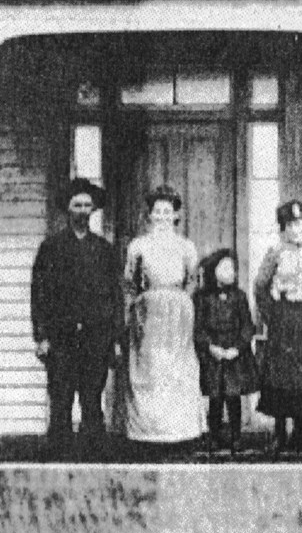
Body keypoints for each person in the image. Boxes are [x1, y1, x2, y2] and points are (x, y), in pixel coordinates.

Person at [31, 178, 123, 460]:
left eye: (87, 205)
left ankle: (93, 458)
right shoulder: (52, 247)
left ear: (93, 209)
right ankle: (59, 457)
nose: (82, 210)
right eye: (77, 205)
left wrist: (116, 339)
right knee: (60, 397)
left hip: (96, 336)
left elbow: (115, 295)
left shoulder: (104, 250)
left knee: (92, 398)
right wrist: (42, 336)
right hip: (61, 336)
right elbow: (39, 293)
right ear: (67, 209)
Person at [123, 185, 202, 444]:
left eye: (167, 212)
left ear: (176, 215)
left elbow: (192, 280)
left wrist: (181, 303)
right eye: (157, 212)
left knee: (175, 368)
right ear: (150, 215)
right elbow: (130, 283)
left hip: (177, 313)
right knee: (150, 367)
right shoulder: (139, 245)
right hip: (148, 313)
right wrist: (137, 308)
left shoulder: (186, 246)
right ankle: (149, 432)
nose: (162, 217)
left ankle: (177, 431)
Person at [254, 199, 302, 453]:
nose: (297, 229)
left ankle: (299, 432)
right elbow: (260, 285)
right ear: (284, 228)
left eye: (301, 223)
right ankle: (279, 432)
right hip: (284, 319)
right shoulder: (276, 251)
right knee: (280, 375)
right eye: (291, 224)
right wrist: (272, 315)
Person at [194, 248, 259, 454]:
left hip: (234, 354)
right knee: (215, 397)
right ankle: (214, 436)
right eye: (225, 268)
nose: (231, 272)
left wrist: (237, 348)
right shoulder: (202, 298)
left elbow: (248, 326)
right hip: (213, 354)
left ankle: (235, 436)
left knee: (233, 397)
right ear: (213, 271)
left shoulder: (239, 297)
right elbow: (198, 327)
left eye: (233, 268)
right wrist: (210, 347)